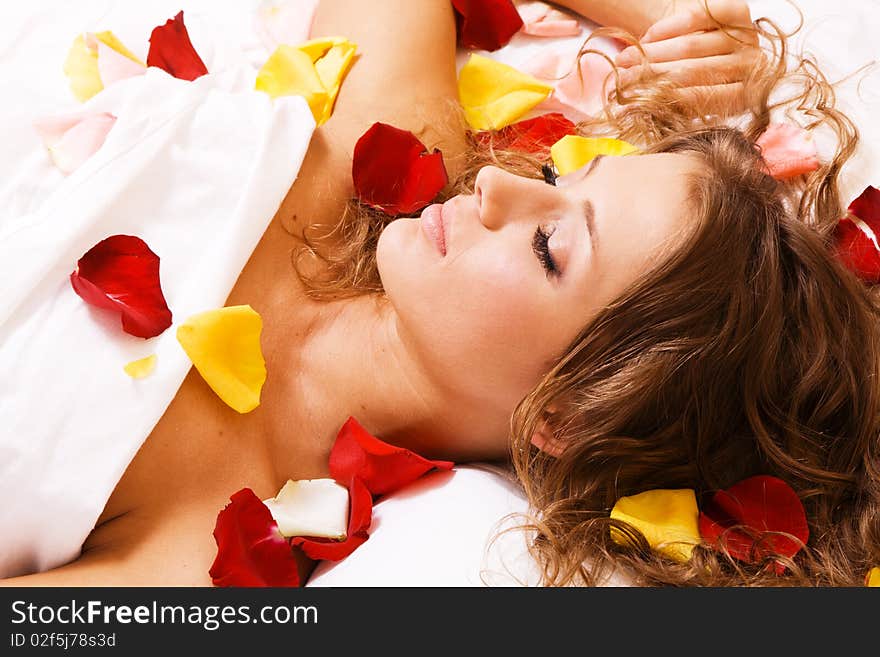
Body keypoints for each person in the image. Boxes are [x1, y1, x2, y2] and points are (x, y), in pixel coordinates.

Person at [2, 0, 877, 587]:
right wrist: (673, 23)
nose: (499, 191)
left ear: (567, 415)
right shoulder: (374, 159)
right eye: (556, 173)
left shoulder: (209, 531)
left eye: (549, 244)